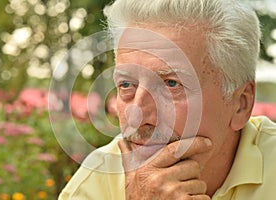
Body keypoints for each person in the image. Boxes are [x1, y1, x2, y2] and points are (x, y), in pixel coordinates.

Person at [59, 0, 276, 199]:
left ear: (241, 104)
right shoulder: (95, 182)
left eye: (171, 84)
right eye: (126, 85)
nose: (136, 115)